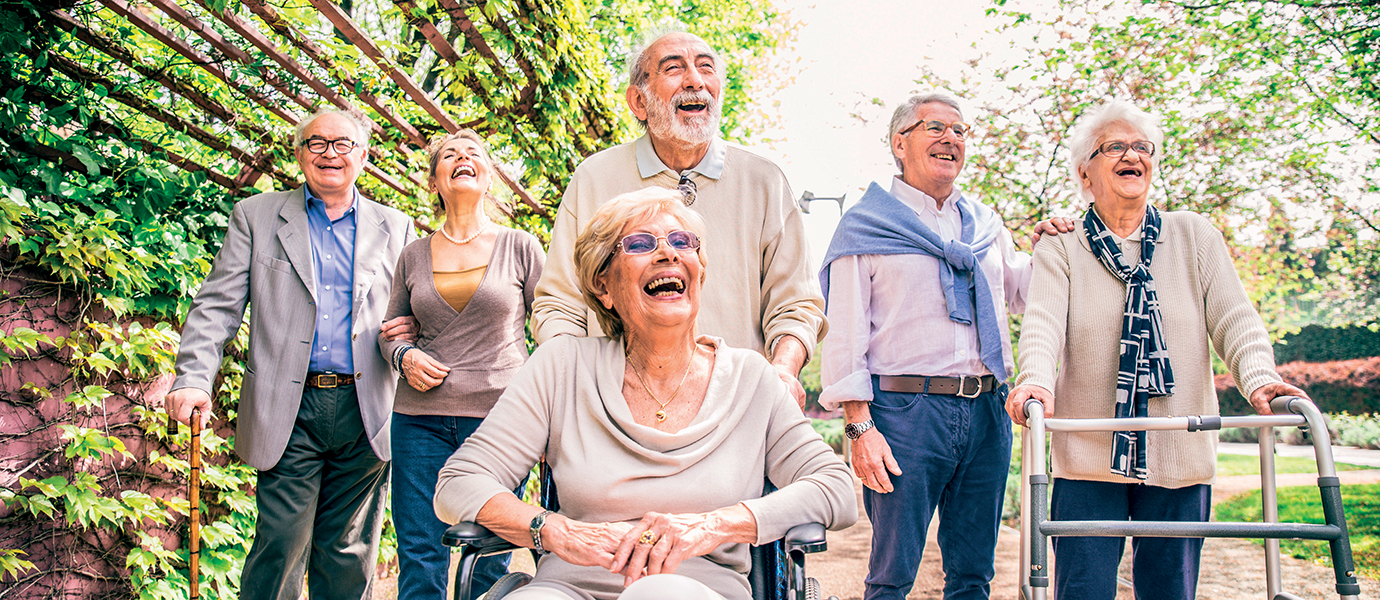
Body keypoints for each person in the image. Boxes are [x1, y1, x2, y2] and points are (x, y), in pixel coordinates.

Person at [435, 188, 857, 600]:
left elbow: (833, 486)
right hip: (567, 584)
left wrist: (714, 526)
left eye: (681, 242)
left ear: (699, 271)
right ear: (604, 286)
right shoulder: (561, 367)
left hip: (699, 587)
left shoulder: (752, 380)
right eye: (639, 243)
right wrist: (557, 531)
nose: (668, 253)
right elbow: (459, 482)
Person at [1005, 99, 1309, 600]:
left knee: (1170, 590)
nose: (1134, 156)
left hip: (1179, 450)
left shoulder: (1195, 236)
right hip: (1087, 452)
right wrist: (1034, 379)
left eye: (1143, 147)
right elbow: (1042, 324)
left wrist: (1259, 378)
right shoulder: (1061, 246)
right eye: (1116, 147)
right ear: (1085, 170)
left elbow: (1235, 319)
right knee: (1082, 589)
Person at [817, 92, 1070, 600]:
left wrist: (1054, 246)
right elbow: (845, 335)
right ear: (899, 142)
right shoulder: (866, 225)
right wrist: (859, 425)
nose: (950, 138)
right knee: (892, 576)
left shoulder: (984, 225)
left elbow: (1018, 293)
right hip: (904, 415)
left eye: (959, 130)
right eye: (934, 127)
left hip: (987, 412)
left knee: (974, 575)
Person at [163, 109, 418, 600]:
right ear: (298, 153)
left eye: (342, 144)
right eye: (316, 143)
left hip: (367, 409)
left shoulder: (397, 226)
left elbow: (414, 311)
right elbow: (217, 304)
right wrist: (193, 376)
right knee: (280, 545)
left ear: (362, 155)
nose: (330, 154)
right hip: (289, 405)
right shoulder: (257, 215)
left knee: (348, 556)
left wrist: (413, 333)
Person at [531, 29, 824, 407]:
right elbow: (560, 303)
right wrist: (570, 384)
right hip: (616, 409)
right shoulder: (594, 178)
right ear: (639, 101)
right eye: (674, 68)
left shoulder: (764, 181)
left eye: (706, 68)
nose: (696, 81)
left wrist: (783, 369)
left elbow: (796, 304)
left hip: (737, 409)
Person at [379, 130, 545, 600]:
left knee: (489, 550)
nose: (462, 159)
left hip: (500, 420)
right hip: (418, 421)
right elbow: (390, 331)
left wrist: (553, 412)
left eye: (474, 154)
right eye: (449, 155)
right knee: (419, 549)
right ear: (435, 181)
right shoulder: (413, 254)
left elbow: (553, 328)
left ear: (489, 178)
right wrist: (404, 356)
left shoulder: (521, 246)